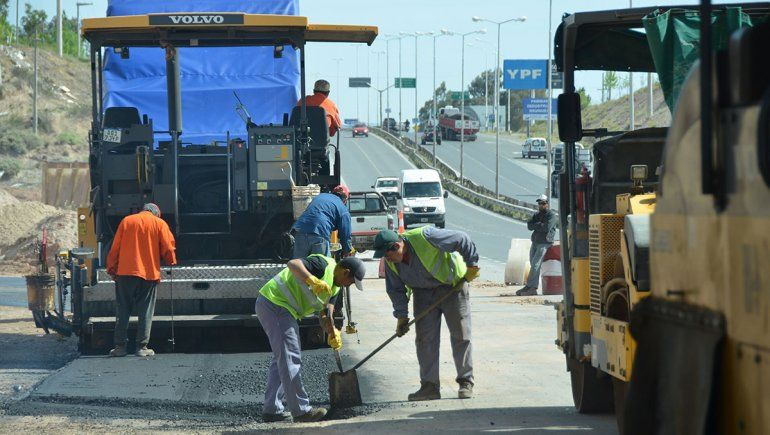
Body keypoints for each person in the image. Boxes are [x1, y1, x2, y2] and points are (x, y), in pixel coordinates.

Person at [373, 226, 480, 401]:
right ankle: (429, 386)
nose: (387, 259)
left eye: (388, 254)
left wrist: (472, 265)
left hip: (452, 286)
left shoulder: (425, 237)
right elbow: (395, 290)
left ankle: (465, 381)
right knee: (425, 339)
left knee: (461, 334)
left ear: (397, 246)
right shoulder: (391, 262)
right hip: (422, 293)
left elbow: (462, 238)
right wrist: (402, 316)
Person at [255, 255, 366, 423]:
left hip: (282, 309)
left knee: (283, 360)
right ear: (345, 272)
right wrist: (311, 279)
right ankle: (301, 412)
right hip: (275, 303)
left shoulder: (336, 288)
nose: (349, 285)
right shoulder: (323, 265)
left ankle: (272, 409)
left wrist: (332, 331)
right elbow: (293, 264)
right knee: (290, 357)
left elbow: (325, 314)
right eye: (350, 282)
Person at [106, 203, 177, 357]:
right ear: (156, 213)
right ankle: (142, 347)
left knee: (123, 308)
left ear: (143, 210)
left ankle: (120, 347)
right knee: (146, 310)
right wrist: (171, 261)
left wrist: (112, 268)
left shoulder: (127, 221)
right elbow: (169, 247)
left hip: (125, 272)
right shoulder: (159, 223)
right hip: (149, 274)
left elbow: (115, 247)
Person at [292, 184, 352, 258]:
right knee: (322, 266)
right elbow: (345, 233)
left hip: (300, 231)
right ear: (345, 199)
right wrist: (346, 251)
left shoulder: (320, 196)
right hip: (319, 233)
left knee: (298, 266)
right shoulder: (342, 208)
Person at [517, 194, 558, 296]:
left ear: (547, 204)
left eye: (543, 203)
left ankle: (531, 287)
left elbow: (546, 228)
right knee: (533, 264)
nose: (541, 205)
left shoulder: (551, 215)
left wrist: (537, 225)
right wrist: (539, 224)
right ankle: (531, 287)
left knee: (535, 265)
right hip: (535, 241)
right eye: (540, 203)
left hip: (544, 243)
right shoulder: (537, 215)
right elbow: (529, 226)